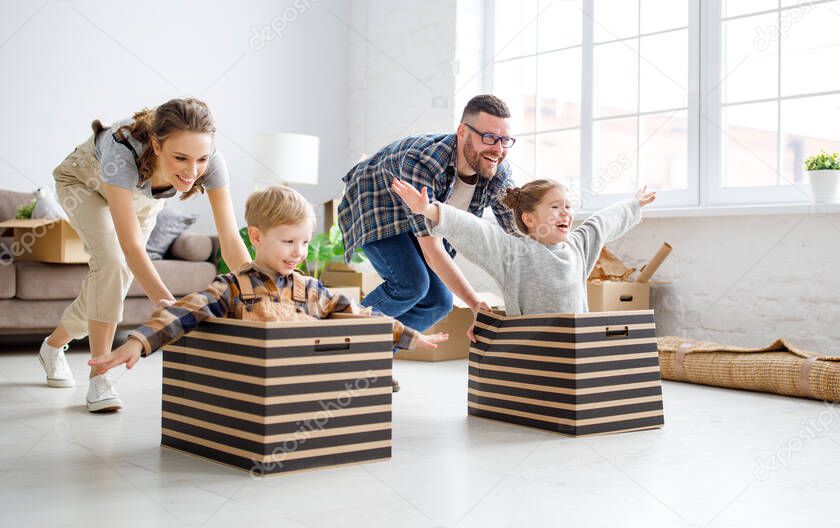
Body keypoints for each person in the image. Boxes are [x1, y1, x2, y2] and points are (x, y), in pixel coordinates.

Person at [88, 186, 448, 392]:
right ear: (256, 238)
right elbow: (185, 309)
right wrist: (137, 342)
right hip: (261, 386)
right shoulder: (233, 286)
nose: (299, 252)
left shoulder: (310, 289)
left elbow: (361, 315)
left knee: (345, 335)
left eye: (305, 242)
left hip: (306, 384)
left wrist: (408, 335)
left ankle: (357, 385)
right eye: (289, 241)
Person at [37, 98, 252, 413]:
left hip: (140, 197)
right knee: (113, 265)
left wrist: (256, 288)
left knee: (110, 282)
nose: (193, 171)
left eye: (201, 159)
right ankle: (100, 375)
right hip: (85, 183)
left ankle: (52, 346)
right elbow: (132, 248)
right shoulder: (122, 151)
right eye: (181, 158)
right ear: (156, 144)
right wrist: (170, 308)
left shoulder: (211, 162)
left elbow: (231, 238)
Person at [336, 94, 519, 336]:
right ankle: (337, 335)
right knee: (411, 285)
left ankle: (372, 354)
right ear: (462, 131)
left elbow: (517, 239)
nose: (498, 149)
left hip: (415, 218)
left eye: (505, 140)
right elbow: (432, 250)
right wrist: (475, 304)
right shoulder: (423, 161)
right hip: (375, 203)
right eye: (489, 138)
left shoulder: (497, 171)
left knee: (439, 302)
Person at [391, 177, 656, 316]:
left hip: (575, 345)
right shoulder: (514, 253)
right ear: (529, 219)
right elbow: (474, 230)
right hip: (532, 347)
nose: (565, 213)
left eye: (568, 207)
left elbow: (603, 222)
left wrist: (633, 204)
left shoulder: (578, 246)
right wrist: (429, 210)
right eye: (555, 207)